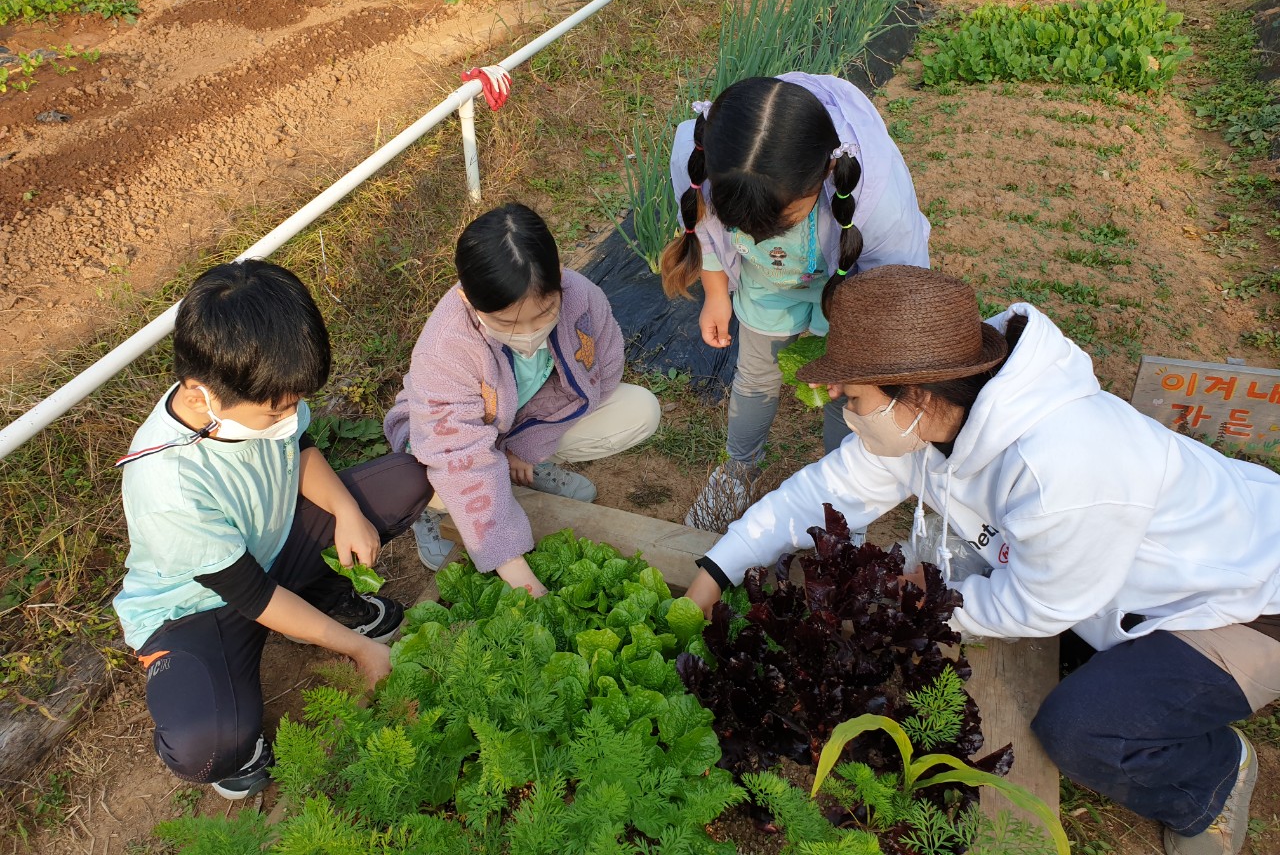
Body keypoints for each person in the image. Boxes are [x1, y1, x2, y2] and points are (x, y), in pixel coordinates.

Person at [685, 264, 1280, 855]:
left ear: (914, 393)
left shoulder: (1061, 469)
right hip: (1110, 577)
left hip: (1241, 604)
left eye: (853, 392)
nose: (840, 401)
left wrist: (930, 597)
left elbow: (1040, 604)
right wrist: (716, 571)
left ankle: (1212, 777)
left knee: (1081, 730)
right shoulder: (938, 411)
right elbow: (819, 494)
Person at [113, 260, 430, 800]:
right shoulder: (167, 485)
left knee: (405, 480)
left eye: (296, 404)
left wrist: (347, 512)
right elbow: (252, 594)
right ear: (199, 396)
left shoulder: (256, 394)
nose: (291, 417)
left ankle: (324, 597)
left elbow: (300, 448)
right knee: (208, 748)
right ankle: (225, 688)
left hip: (274, 542)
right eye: (276, 412)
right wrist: (358, 650)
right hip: (199, 606)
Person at [662, 73, 931, 529]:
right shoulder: (701, 154)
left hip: (847, 286)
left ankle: (844, 485)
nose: (756, 233)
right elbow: (705, 230)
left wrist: (859, 358)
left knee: (844, 390)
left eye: (778, 220)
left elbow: (894, 288)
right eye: (743, 224)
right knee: (755, 376)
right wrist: (715, 294)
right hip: (765, 282)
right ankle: (738, 470)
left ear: (825, 174)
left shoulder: (878, 196)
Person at [385, 203, 661, 594]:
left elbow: (602, 373)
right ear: (469, 301)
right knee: (438, 483)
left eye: (545, 312)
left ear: (560, 280)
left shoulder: (583, 299)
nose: (530, 333)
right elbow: (456, 455)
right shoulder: (445, 346)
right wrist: (514, 568)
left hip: (518, 423)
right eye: (507, 324)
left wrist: (528, 447)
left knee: (640, 409)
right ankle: (429, 512)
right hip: (442, 441)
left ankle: (523, 470)